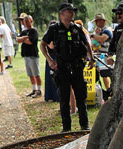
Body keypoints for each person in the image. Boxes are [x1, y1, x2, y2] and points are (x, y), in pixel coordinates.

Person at [41, 3, 93, 132]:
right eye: (69, 11)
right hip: (62, 68)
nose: (72, 13)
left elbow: (87, 44)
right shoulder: (54, 29)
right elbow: (42, 44)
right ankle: (66, 128)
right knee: (64, 99)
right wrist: (49, 59)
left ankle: (84, 126)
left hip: (77, 67)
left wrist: (91, 58)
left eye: (73, 11)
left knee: (81, 98)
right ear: (62, 13)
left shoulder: (77, 28)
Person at [89, 13, 113, 100]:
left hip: (104, 55)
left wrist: (92, 35)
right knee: (98, 76)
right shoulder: (97, 31)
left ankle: (109, 91)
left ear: (102, 21)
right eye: (96, 21)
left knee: (105, 74)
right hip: (97, 55)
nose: (96, 22)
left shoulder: (107, 30)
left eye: (98, 20)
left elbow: (102, 39)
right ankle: (104, 93)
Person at [16, 15, 41, 97]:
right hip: (26, 55)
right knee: (30, 74)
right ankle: (34, 89)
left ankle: (39, 90)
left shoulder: (34, 31)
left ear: (31, 21)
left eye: (27, 21)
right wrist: (25, 38)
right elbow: (18, 40)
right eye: (24, 21)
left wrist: (23, 39)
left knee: (36, 74)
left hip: (33, 55)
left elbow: (30, 42)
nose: (25, 23)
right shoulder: (24, 31)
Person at [107, 3, 123, 67]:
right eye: (116, 13)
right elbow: (112, 43)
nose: (118, 16)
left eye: (120, 13)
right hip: (120, 59)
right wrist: (109, 56)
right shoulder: (117, 28)